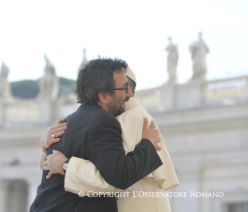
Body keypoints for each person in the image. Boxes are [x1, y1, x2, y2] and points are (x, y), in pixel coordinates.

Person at [29, 58, 163, 212]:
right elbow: (120, 177)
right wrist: (148, 144)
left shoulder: (67, 122)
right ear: (104, 96)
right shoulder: (103, 122)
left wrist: (58, 159)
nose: (129, 94)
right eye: (124, 88)